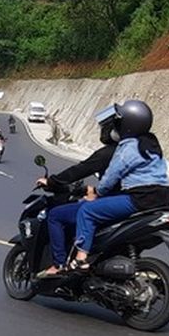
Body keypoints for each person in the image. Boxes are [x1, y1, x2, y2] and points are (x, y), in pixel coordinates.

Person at [67, 99, 169, 272]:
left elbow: (111, 176)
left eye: (118, 123)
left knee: (87, 211)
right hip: (165, 194)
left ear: (127, 125)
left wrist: (98, 192)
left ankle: (81, 259)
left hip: (141, 197)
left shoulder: (128, 147)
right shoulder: (151, 143)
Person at [35, 105, 122, 278]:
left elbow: (80, 170)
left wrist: (52, 181)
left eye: (105, 127)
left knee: (55, 215)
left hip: (114, 203)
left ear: (113, 131)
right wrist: (90, 190)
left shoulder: (108, 153)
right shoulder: (134, 152)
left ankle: (59, 264)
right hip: (128, 200)